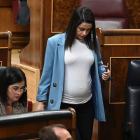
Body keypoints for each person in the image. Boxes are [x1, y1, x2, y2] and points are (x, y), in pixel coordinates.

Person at [36, 6, 111, 140]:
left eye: (88, 30)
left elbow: (98, 63)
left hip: (87, 104)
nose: (84, 33)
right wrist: (41, 100)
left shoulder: (93, 40)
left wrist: (104, 73)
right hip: (63, 104)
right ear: (73, 25)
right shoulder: (55, 42)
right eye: (81, 29)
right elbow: (47, 72)